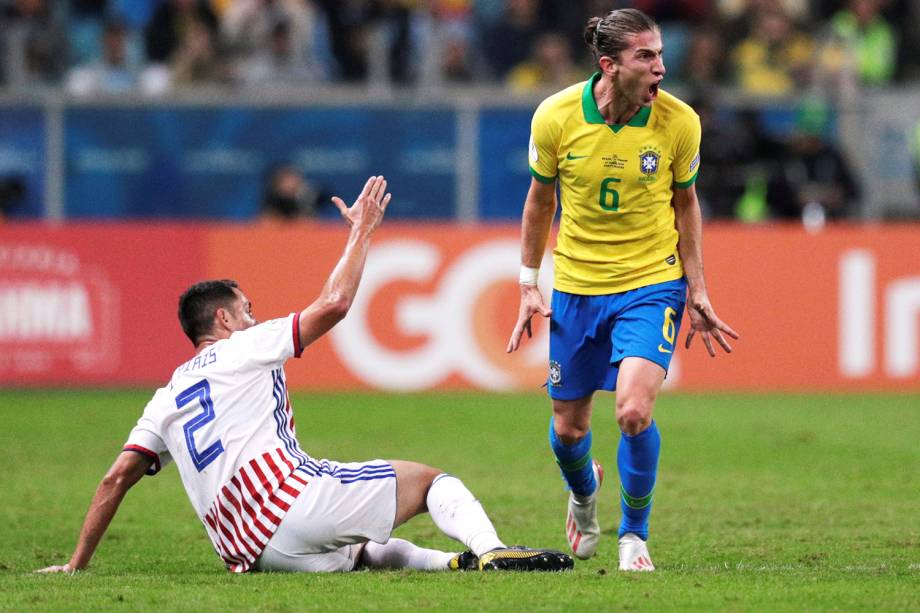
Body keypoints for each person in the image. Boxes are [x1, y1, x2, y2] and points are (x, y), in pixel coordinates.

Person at [37, 176, 572, 576]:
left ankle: (453, 566)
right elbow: (335, 304)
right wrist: (361, 233)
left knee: (360, 551)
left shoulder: (167, 394)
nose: (253, 316)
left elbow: (114, 480)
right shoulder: (244, 345)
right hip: (288, 507)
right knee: (433, 481)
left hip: (249, 552)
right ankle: (491, 551)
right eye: (246, 308)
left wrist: (75, 565)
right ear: (222, 320)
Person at [506, 9, 738, 572]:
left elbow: (686, 203)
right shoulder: (556, 116)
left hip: (651, 283)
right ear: (609, 66)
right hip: (579, 288)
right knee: (569, 428)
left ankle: (634, 535)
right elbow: (541, 201)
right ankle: (585, 496)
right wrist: (528, 283)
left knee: (633, 411)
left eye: (660, 55)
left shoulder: (679, 121)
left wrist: (698, 288)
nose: (662, 67)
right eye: (646, 57)